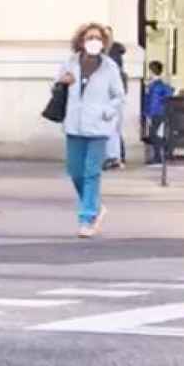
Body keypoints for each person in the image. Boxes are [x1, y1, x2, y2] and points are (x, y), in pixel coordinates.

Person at [55, 23, 126, 238]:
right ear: (81, 41)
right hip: (74, 125)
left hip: (98, 128)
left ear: (103, 43)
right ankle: (95, 205)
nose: (93, 41)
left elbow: (118, 96)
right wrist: (62, 82)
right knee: (75, 171)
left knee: (91, 173)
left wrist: (107, 112)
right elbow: (56, 87)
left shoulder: (109, 66)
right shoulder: (70, 62)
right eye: (89, 37)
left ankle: (87, 218)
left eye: (97, 38)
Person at [142, 61, 174, 165]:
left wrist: (148, 115)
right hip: (160, 112)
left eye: (150, 70)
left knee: (154, 135)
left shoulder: (155, 86)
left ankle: (158, 157)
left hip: (156, 113)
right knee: (156, 135)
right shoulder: (159, 84)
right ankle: (161, 155)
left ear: (152, 71)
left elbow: (152, 102)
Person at [103, 40, 129, 170]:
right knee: (114, 132)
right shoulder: (119, 71)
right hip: (114, 105)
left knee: (111, 132)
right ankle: (115, 157)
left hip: (111, 105)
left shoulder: (112, 69)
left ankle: (113, 157)